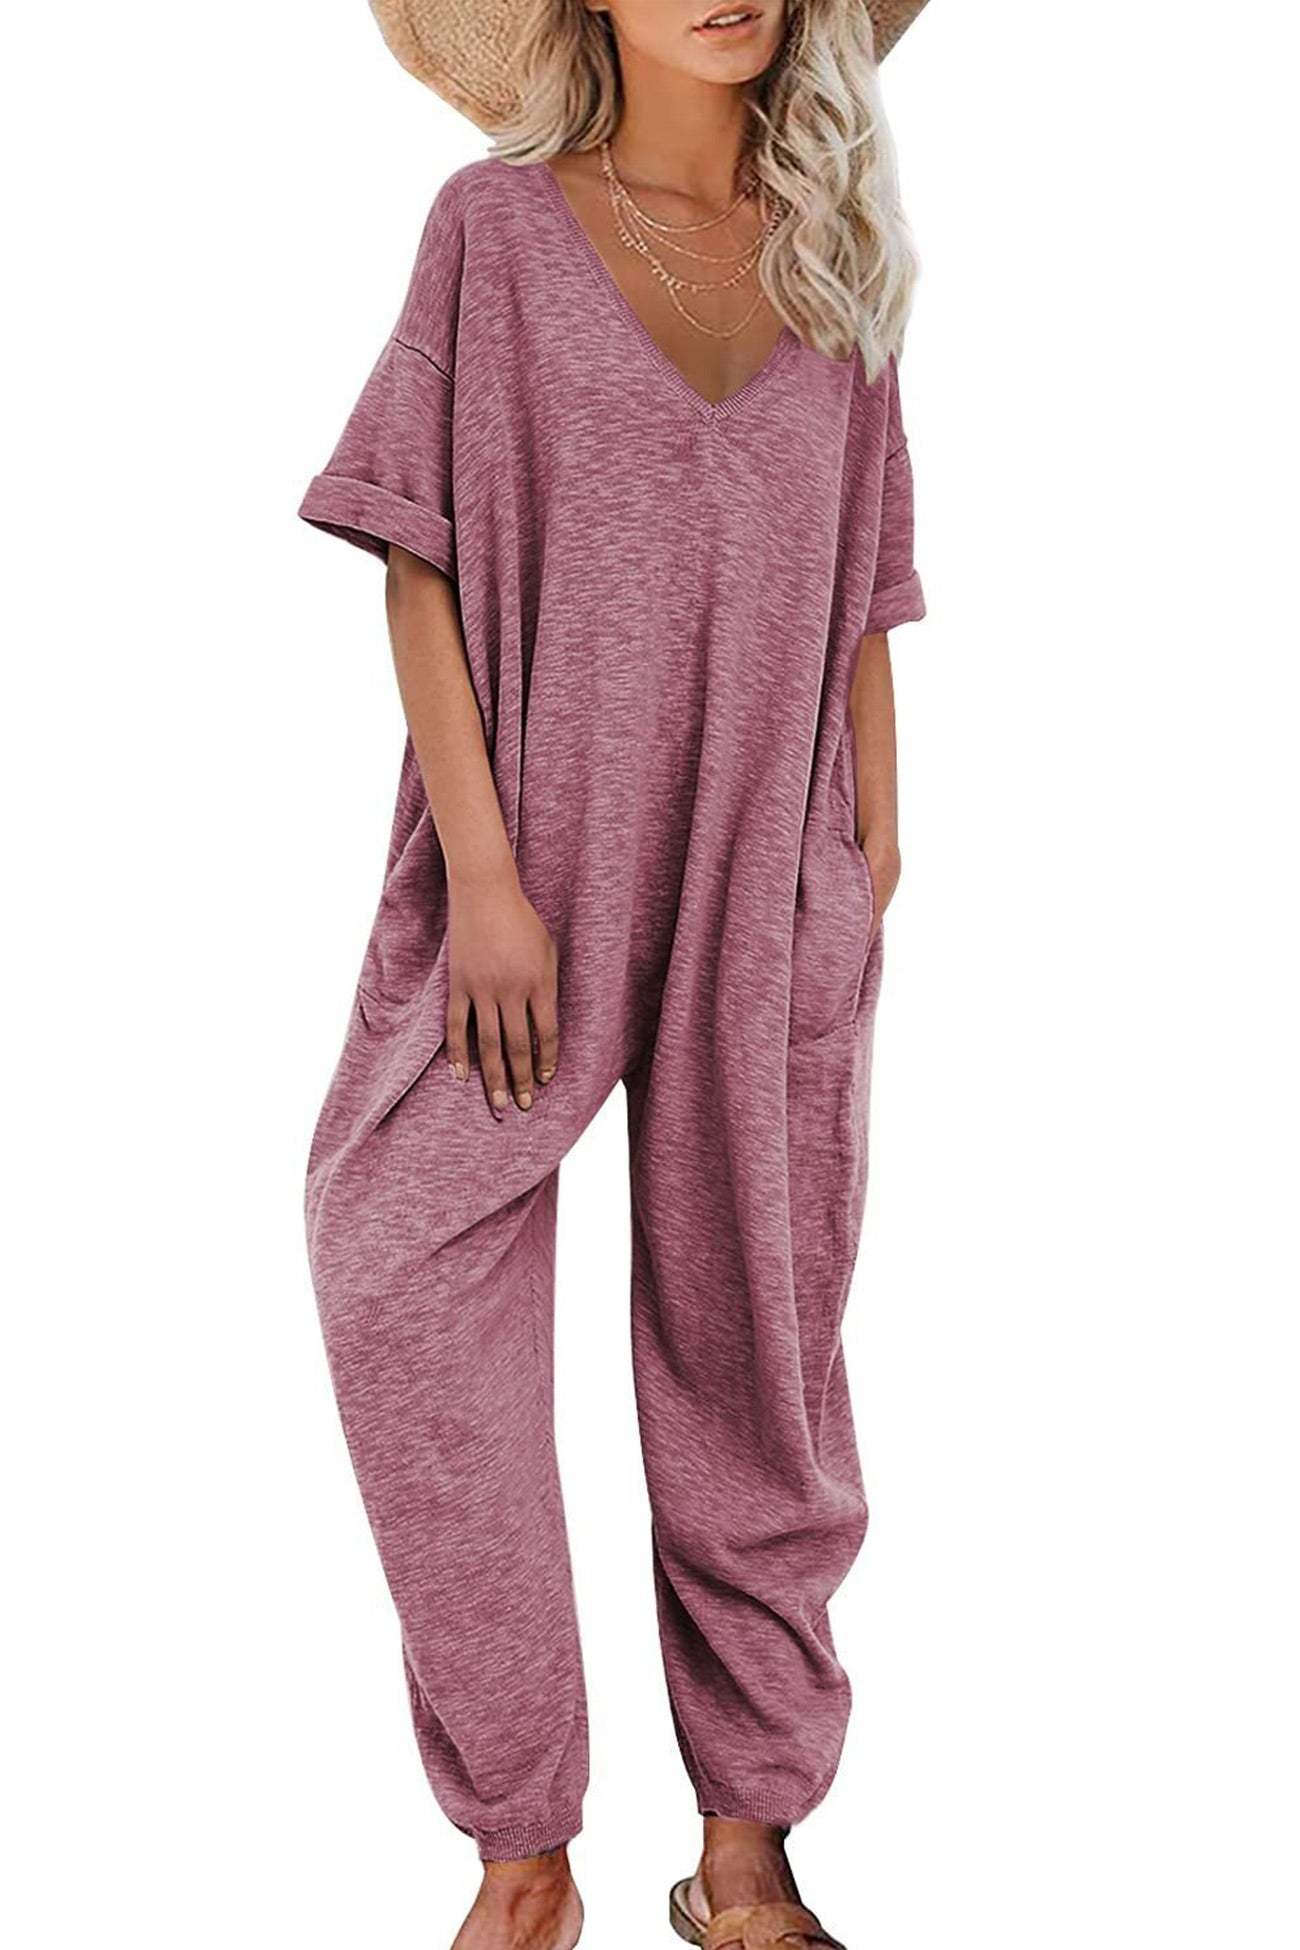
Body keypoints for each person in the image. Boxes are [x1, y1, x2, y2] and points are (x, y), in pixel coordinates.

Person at [299, 2, 929, 1944]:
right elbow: (415, 551)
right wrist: (486, 877)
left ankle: (746, 1850)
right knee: (392, 1259)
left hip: (772, 872)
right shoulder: (491, 230)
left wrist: (868, 852)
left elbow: (870, 588)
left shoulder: (836, 251)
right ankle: (523, 1846)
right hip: (534, 868)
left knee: (760, 1352)